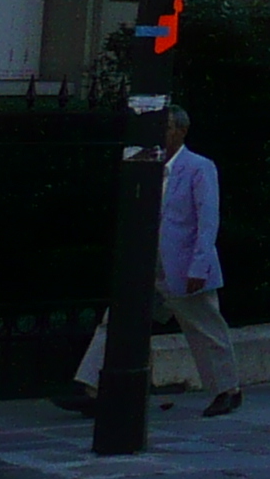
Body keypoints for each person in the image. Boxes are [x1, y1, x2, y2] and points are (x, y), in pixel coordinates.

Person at [55, 106, 239, 418]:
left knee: (204, 327)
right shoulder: (147, 163)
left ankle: (227, 389)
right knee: (116, 321)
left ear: (181, 131)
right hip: (147, 261)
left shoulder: (198, 168)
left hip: (182, 264)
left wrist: (199, 265)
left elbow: (207, 221)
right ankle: (93, 388)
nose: (160, 133)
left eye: (166, 127)